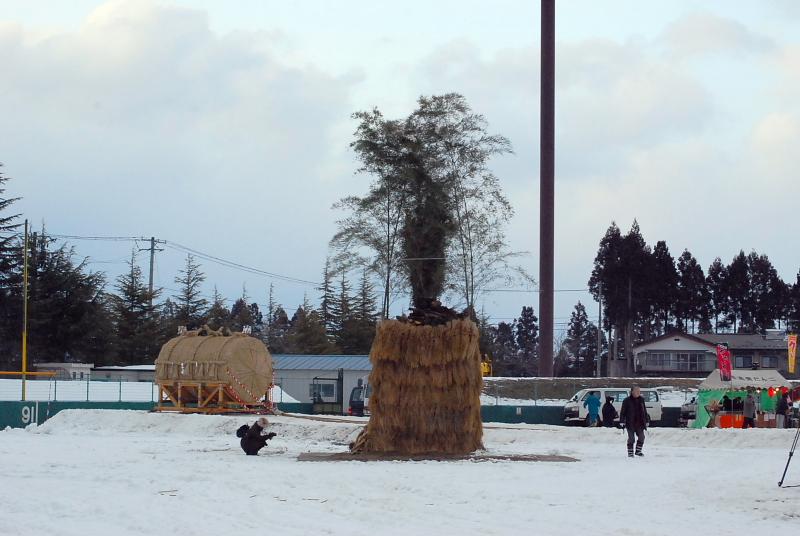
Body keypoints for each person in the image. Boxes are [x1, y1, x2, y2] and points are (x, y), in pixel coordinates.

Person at [620, 386, 650, 458]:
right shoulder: (626, 400)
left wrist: (646, 420)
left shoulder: (641, 400)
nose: (638, 392)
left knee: (642, 437)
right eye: (637, 391)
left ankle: (638, 451)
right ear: (632, 391)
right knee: (631, 438)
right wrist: (622, 421)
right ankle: (630, 452)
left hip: (640, 423)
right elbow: (623, 412)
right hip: (630, 423)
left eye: (639, 391)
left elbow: (644, 411)